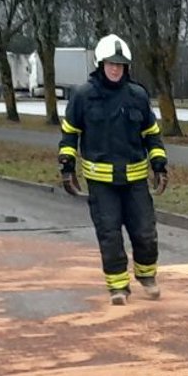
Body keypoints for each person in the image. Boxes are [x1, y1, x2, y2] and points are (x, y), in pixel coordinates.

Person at [58, 35, 169, 304]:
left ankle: (146, 275)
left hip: (135, 180)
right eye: (111, 63)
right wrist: (67, 167)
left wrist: (159, 165)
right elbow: (70, 134)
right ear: (100, 64)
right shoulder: (83, 96)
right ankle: (118, 287)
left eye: (120, 64)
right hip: (101, 183)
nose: (115, 69)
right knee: (109, 235)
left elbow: (151, 134)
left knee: (145, 232)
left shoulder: (138, 96)